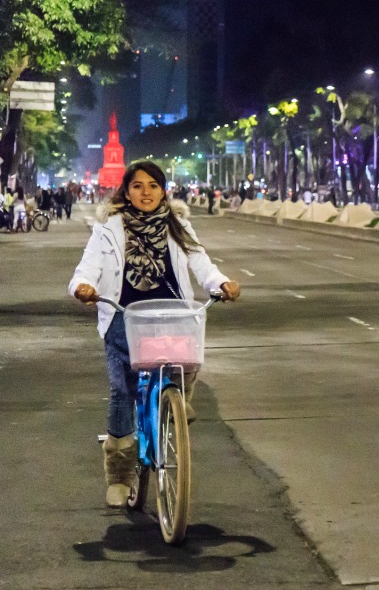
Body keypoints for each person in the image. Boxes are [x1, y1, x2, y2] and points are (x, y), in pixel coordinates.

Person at [69, 160, 241, 508]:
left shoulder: (178, 225)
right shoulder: (108, 229)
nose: (145, 192)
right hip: (124, 315)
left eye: (153, 185)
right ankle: (119, 474)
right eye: (137, 186)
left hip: (171, 313)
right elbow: (86, 269)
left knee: (187, 357)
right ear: (126, 191)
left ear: (164, 190)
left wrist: (220, 283)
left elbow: (201, 262)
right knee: (122, 390)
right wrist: (83, 287)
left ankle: (177, 398)